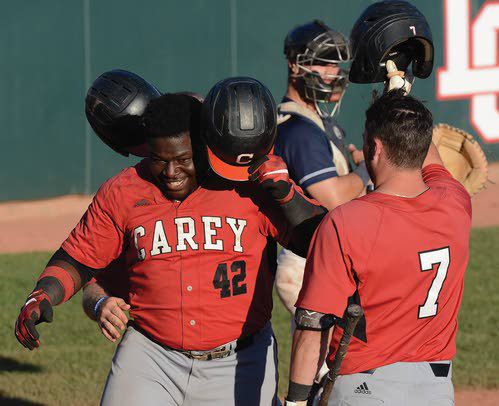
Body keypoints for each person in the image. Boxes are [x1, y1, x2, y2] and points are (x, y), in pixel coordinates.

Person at [15, 77, 326, 406]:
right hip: (151, 356)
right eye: (160, 159)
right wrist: (41, 295)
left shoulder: (245, 186)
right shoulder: (124, 191)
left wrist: (288, 195)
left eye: (183, 158)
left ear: (206, 148)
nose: (171, 171)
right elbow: (78, 258)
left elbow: (319, 244)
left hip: (240, 359)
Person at [285, 89, 471, 405]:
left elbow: (312, 326)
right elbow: (430, 156)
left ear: (377, 148)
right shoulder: (455, 200)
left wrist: (296, 401)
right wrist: (401, 90)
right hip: (436, 389)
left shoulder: (346, 222)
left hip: (366, 389)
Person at [274, 20, 371, 319]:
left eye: (334, 64)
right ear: (294, 66)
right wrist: (369, 170)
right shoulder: (300, 130)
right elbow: (334, 198)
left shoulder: (316, 120)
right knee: (338, 361)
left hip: (322, 258)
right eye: (321, 63)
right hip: (310, 263)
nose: (332, 72)